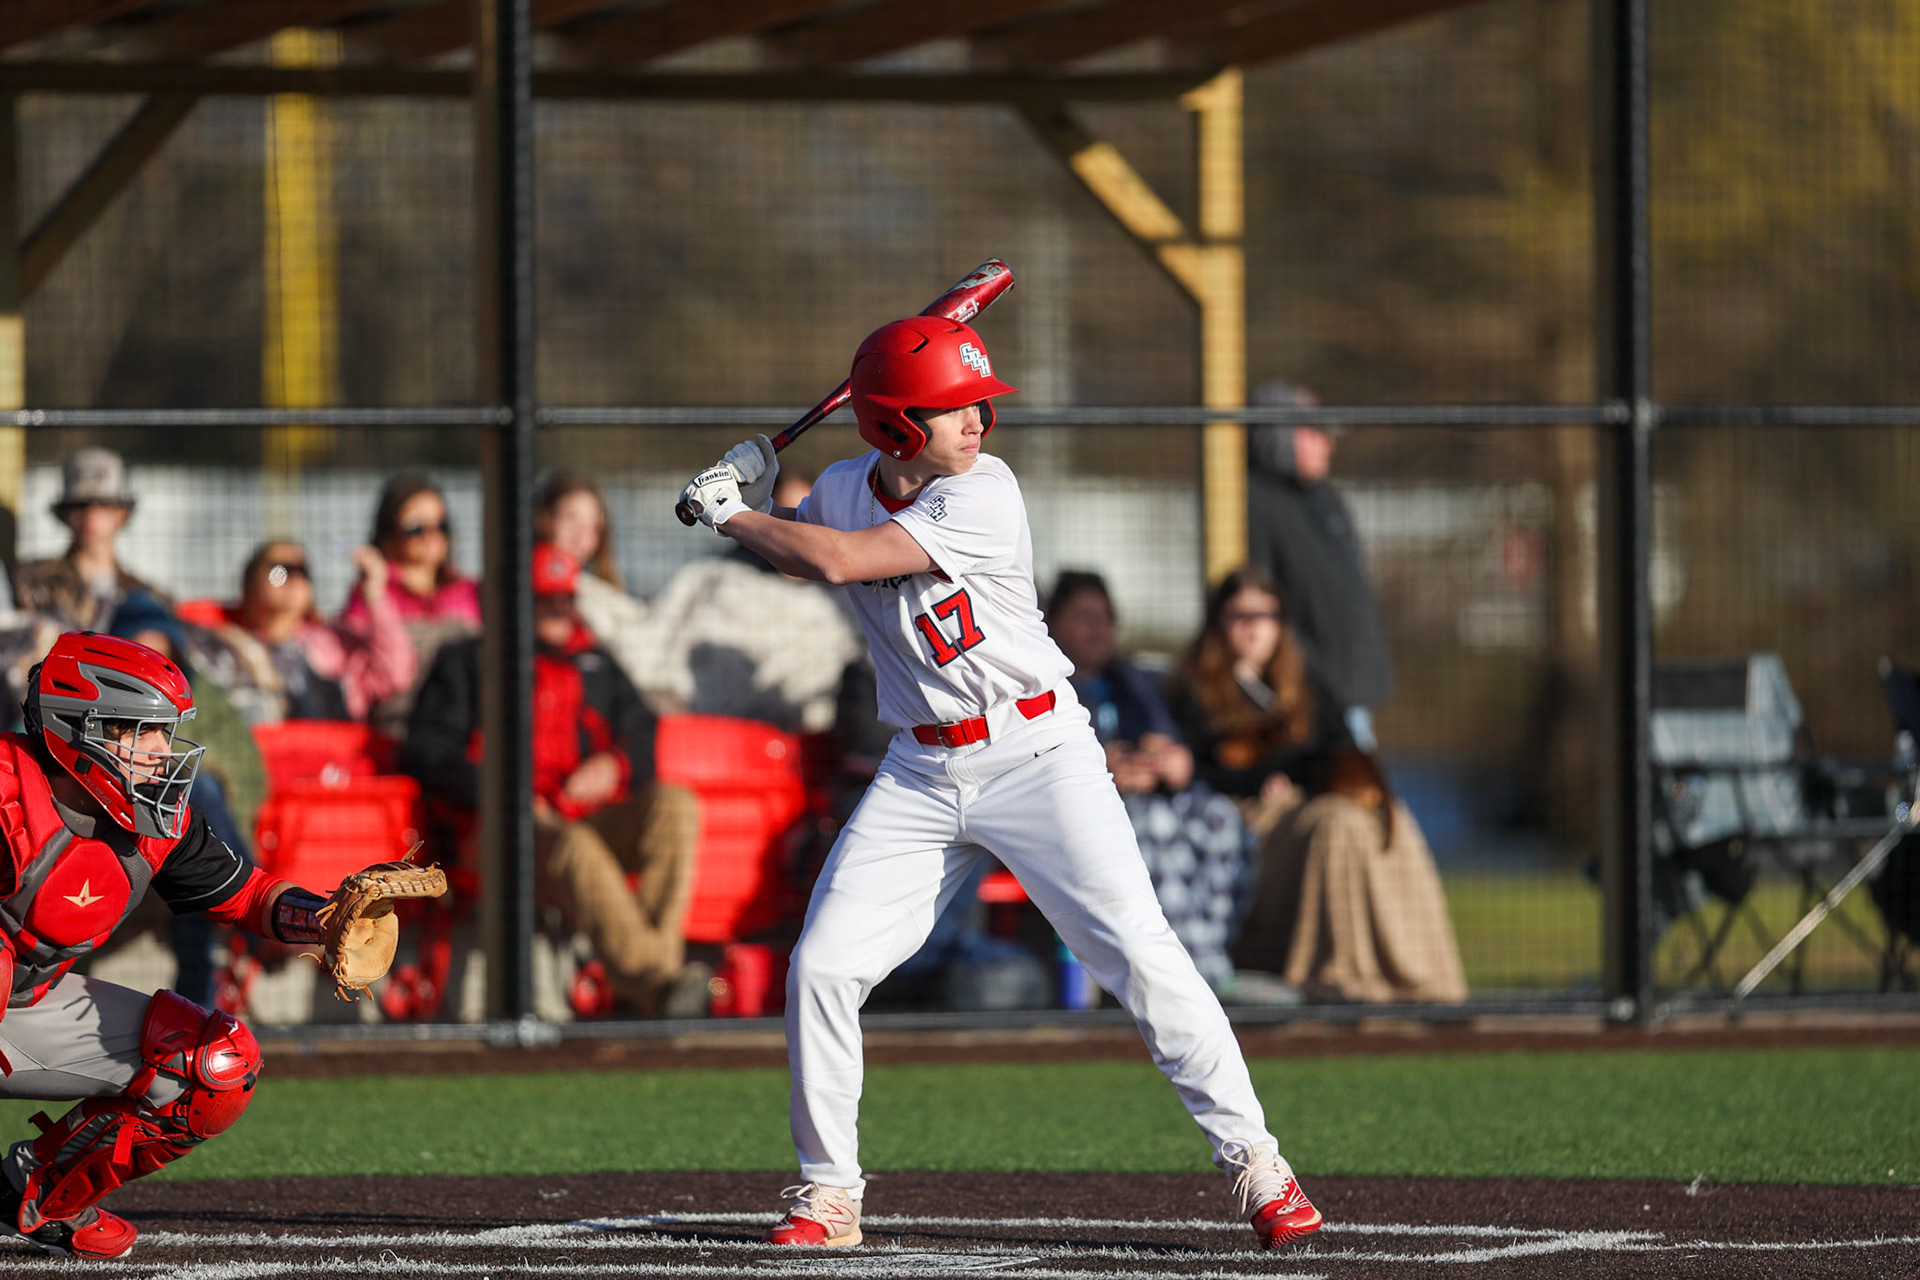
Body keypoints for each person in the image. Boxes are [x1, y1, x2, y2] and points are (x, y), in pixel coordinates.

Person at [676, 314, 1321, 1251]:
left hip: (1037, 752)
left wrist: (731, 511)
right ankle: (829, 1191)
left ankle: (1258, 1162)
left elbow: (840, 560)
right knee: (822, 966)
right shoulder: (848, 487)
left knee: (1140, 953)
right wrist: (758, 501)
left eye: (981, 402)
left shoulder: (986, 491)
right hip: (921, 768)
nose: (979, 419)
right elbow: (801, 552)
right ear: (894, 424)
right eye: (954, 407)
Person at [0, 632, 408, 1258]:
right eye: (144, 732)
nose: (163, 753)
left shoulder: (154, 817)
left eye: (166, 733)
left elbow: (246, 894)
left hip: (26, 999)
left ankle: (34, 1195)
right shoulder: (8, 793)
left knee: (216, 1064)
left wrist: (324, 920)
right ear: (79, 730)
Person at [399, 543, 709, 1018]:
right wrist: (504, 792)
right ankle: (656, 985)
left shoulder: (596, 662)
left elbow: (643, 732)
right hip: (495, 831)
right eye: (545, 601)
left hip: (581, 820)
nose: (558, 611)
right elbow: (426, 750)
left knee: (675, 806)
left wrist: (614, 766)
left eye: (565, 600)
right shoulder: (469, 660)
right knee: (574, 846)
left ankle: (653, 985)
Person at [1168, 565, 1466, 1006]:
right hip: (1243, 814)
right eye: (1240, 615)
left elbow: (1338, 744)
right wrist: (1263, 777)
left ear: (1280, 623)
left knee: (1383, 816)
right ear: (1219, 622)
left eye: (1265, 615)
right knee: (1336, 828)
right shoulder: (1193, 689)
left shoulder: (1304, 683)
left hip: (1305, 800)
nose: (1253, 628)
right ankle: (1338, 973)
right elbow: (1198, 766)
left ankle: (1417, 975)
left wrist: (1313, 775)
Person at [1044, 570, 1274, 999]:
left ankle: (1210, 959)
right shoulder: (1041, 685)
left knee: (1222, 819)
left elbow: (1177, 743)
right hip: (1093, 807)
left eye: (1106, 618)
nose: (1099, 629)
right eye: (1084, 617)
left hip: (1162, 796)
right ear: (1052, 623)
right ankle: (1185, 977)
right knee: (1155, 827)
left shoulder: (1139, 681)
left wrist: (1174, 760)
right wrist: (1100, 766)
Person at [1246, 382, 1393, 750]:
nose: (1328, 445)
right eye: (1314, 434)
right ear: (1278, 436)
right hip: (1306, 698)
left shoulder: (1324, 498)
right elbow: (1259, 601)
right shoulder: (1255, 503)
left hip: (1350, 690)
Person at [187, 541, 417, 726]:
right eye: (281, 571)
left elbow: (397, 675)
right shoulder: (222, 644)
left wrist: (375, 594)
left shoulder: (337, 642)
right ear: (249, 585)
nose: (295, 578)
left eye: (303, 572)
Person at [12, 447, 167, 634]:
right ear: (65, 514)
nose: (91, 515)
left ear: (122, 514)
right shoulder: (32, 581)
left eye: (103, 504)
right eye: (80, 505)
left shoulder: (147, 598)